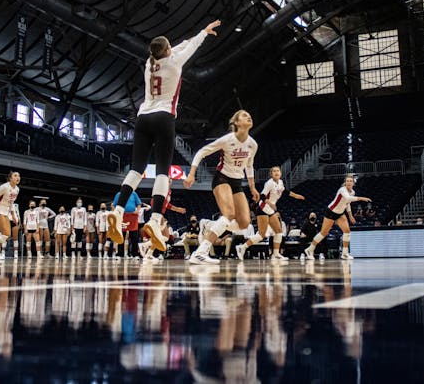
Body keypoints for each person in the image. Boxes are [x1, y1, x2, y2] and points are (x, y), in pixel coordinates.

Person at [107, 20, 221, 253]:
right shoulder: (174, 62)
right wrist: (203, 33)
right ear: (168, 50)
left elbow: (177, 47)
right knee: (162, 171)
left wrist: (194, 36)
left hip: (143, 117)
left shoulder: (150, 63)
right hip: (163, 117)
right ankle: (155, 221)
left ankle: (117, 211)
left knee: (136, 169)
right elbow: (188, 48)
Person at [184, 110, 259, 264]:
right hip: (222, 178)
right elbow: (201, 152)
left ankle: (211, 225)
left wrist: (252, 187)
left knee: (244, 223)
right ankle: (201, 252)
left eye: (249, 115)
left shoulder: (253, 144)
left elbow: (249, 165)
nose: (248, 116)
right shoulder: (227, 140)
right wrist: (191, 174)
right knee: (229, 214)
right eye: (244, 115)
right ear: (236, 123)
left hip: (237, 182)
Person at [236, 166, 304, 261]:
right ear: (271, 174)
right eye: (274, 171)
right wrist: (271, 204)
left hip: (271, 210)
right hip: (263, 209)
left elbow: (285, 192)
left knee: (279, 232)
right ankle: (242, 247)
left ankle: (275, 254)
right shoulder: (269, 183)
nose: (276, 172)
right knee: (261, 235)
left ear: (280, 173)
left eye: (278, 171)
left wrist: (297, 196)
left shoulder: (280, 183)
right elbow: (262, 196)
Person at [304, 174, 369, 261]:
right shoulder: (342, 190)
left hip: (340, 214)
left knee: (347, 231)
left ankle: (345, 253)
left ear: (354, 183)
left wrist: (350, 215)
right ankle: (310, 249)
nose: (349, 182)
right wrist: (361, 198)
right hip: (331, 212)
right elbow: (348, 198)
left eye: (350, 181)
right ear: (345, 183)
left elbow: (347, 203)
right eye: (347, 181)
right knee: (323, 233)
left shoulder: (352, 192)